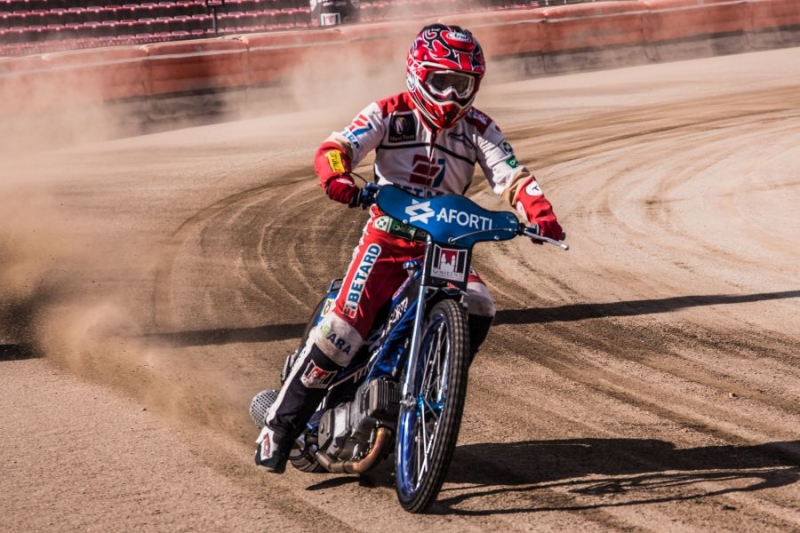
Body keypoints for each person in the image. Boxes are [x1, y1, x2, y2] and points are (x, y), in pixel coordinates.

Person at [255, 23, 563, 473]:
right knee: (341, 332)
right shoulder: (388, 111)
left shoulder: (480, 127)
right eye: (442, 81)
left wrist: (541, 215)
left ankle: (437, 379)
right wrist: (337, 175)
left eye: (462, 85)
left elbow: (513, 176)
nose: (451, 96)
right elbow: (338, 146)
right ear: (418, 74)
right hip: (386, 239)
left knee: (480, 303)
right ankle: (278, 430)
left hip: (447, 245)